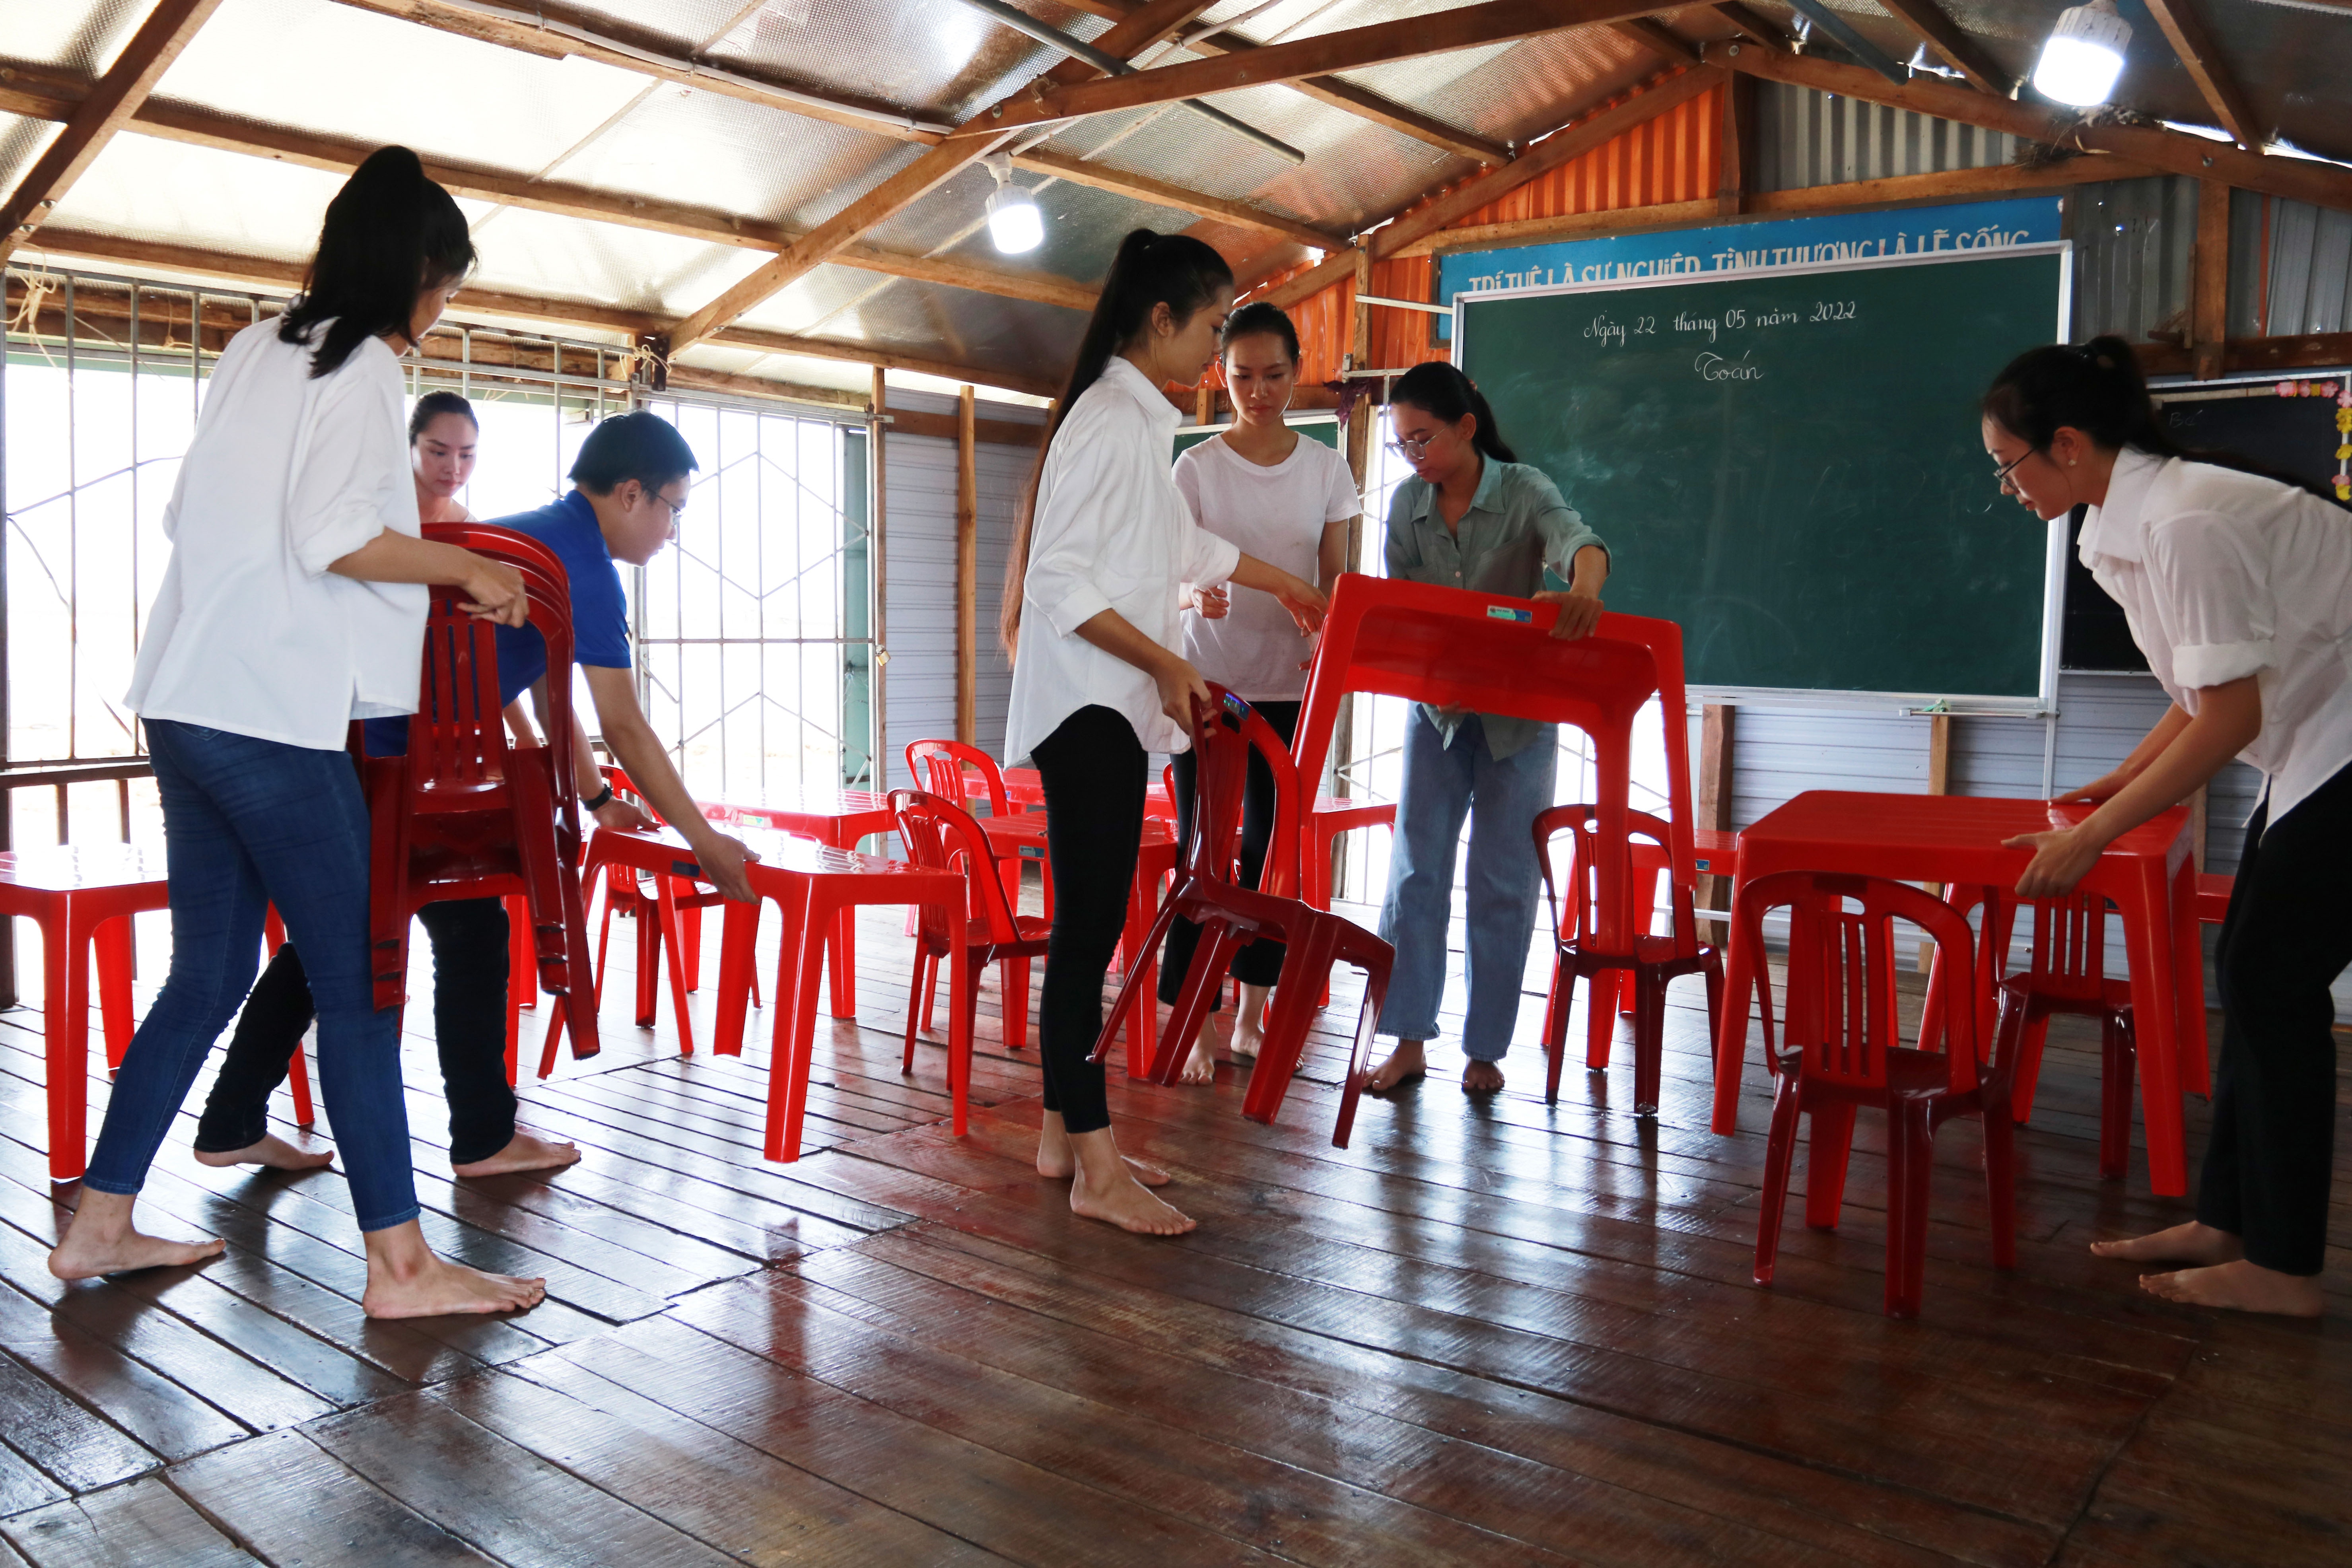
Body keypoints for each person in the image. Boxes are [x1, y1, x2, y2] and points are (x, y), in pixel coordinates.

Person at [46, 146, 548, 1317]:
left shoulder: (250, 351)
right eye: (444, 293)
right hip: (270, 717)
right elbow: (333, 537)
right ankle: (403, 1268)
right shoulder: (368, 367)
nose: (437, 318)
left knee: (212, 969)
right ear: (416, 275)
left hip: (182, 697)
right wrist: (463, 568)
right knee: (364, 985)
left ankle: (103, 1225)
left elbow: (190, 512)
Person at [189, 409, 752, 1183]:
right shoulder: (580, 569)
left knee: (342, 935)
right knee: (467, 931)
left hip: (349, 754)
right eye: (673, 508)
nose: (672, 528)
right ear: (631, 494)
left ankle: (232, 1119)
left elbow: (515, 691)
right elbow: (621, 721)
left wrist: (594, 799)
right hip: (407, 779)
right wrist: (703, 839)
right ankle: (483, 1138)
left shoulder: (517, 537)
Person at [1987, 336, 2352, 1318]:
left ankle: (2279, 1267)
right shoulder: (2120, 525)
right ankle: (2228, 1222)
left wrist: (2090, 833)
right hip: (2319, 735)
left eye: (2005, 463)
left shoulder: (2184, 521)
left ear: (2063, 445)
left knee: (2270, 977)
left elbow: (2226, 716)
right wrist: (2123, 776)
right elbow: (2201, 689)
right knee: (2250, 965)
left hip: (2342, 735)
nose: (2003, 485)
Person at [1003, 229, 1328, 1235]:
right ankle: (1095, 1169)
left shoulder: (1138, 421)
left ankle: (1065, 1136)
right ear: (1160, 321)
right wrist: (1165, 661)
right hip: (1088, 706)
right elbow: (1058, 582)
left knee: (1090, 925)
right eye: (1214, 323)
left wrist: (1282, 583)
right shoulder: (1107, 418)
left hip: (1107, 703)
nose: (1220, 345)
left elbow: (1173, 545)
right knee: (1088, 932)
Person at [1359, 362, 1610, 1098]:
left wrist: (1582, 590)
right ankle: (1406, 1039)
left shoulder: (1524, 488)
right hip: (1434, 711)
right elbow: (1398, 607)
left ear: (1466, 427)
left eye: (1424, 438)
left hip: (1518, 719)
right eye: (1402, 443)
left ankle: (1485, 1050)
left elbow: (1578, 541)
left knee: (1503, 881)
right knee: (1414, 872)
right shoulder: (1406, 504)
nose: (1414, 456)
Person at [1160, 301, 1357, 1084]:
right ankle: (1195, 1014)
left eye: (1274, 374)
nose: (1259, 390)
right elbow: (1167, 577)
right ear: (1221, 374)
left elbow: (1337, 576)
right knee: (1199, 851)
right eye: (1242, 375)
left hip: (1292, 687)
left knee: (1271, 857)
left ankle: (1251, 1008)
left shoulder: (1325, 467)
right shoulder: (1196, 468)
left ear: (1296, 369)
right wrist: (1191, 597)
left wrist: (1330, 642)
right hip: (1207, 685)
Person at [409, 389, 478, 524]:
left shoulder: (470, 529)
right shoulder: (370, 515)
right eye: (439, 453)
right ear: (410, 447)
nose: (454, 469)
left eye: (466, 455)